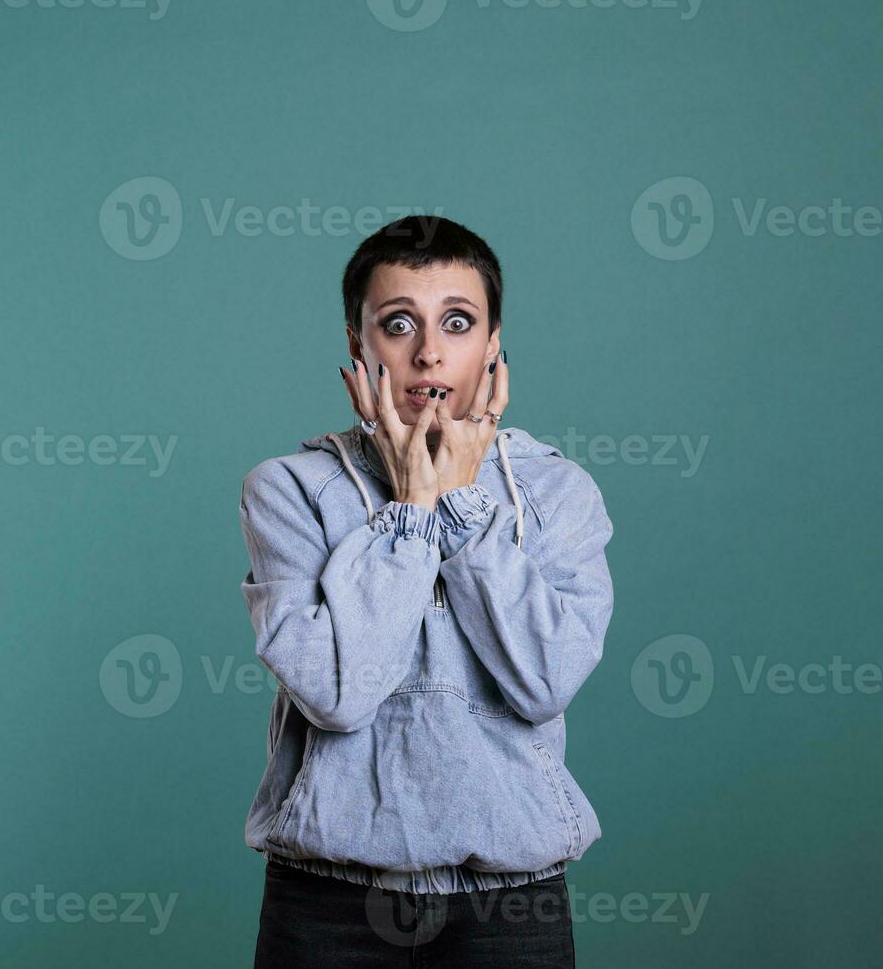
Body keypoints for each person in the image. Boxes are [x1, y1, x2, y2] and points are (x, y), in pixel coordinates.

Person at [238, 216, 615, 967]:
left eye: (458, 322)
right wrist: (411, 509)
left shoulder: (557, 491)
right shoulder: (289, 490)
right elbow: (339, 693)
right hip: (328, 901)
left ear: (494, 344)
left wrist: (466, 508)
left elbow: (543, 682)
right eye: (398, 323)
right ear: (357, 342)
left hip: (511, 905)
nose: (429, 352)